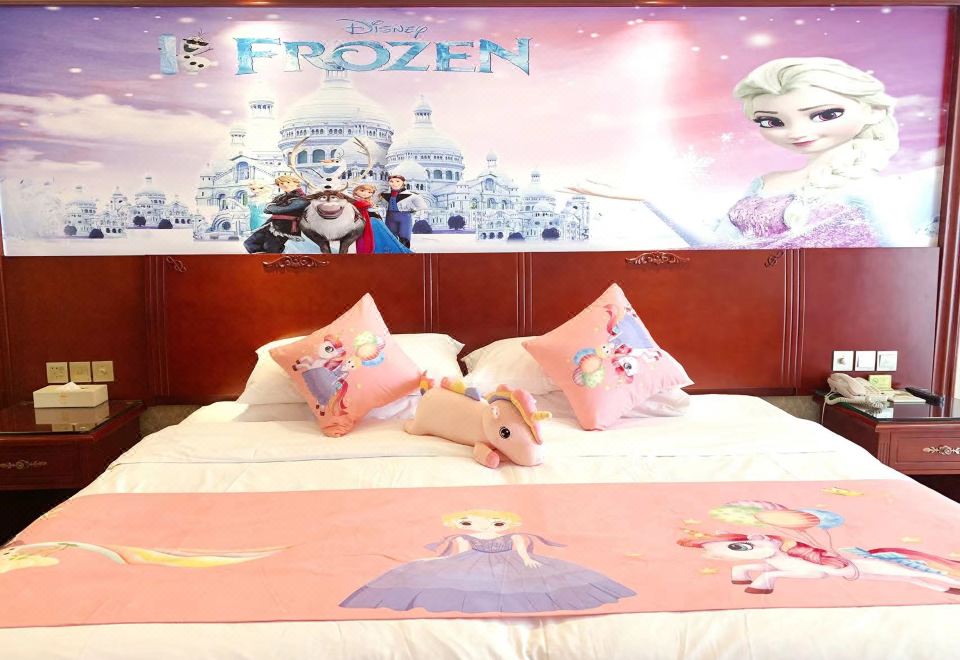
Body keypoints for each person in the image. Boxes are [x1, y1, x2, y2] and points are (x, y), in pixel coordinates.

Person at [566, 57, 907, 249]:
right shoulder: (765, 182)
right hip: (747, 302)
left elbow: (899, 262)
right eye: (772, 121)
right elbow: (716, 248)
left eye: (825, 114)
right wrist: (649, 198)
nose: (797, 132)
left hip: (828, 310)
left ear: (873, 111)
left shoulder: (869, 188)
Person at [339, 509, 635, 613]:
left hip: (511, 563)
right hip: (473, 564)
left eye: (494, 523)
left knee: (541, 584)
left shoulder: (515, 536)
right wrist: (435, 564)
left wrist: (527, 561)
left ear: (503, 524)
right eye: (469, 523)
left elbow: (523, 552)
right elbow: (455, 557)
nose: (483, 527)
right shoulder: (462, 539)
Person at [243, 174, 309, 254]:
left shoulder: (302, 197)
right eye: (281, 183)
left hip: (286, 226)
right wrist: (275, 208)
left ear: (296, 183)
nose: (284, 185)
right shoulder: (281, 197)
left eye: (288, 182)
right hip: (271, 224)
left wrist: (275, 207)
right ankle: (263, 258)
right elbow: (267, 209)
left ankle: (273, 258)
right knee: (249, 243)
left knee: (270, 247)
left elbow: (280, 209)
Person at [349, 183, 413, 254]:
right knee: (376, 238)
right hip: (369, 223)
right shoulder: (355, 201)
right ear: (356, 191)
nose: (365, 193)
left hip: (374, 223)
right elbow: (361, 207)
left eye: (369, 192)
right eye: (362, 190)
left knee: (384, 237)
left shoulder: (368, 202)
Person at [378, 174, 427, 249]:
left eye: (397, 181)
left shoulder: (411, 195)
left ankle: (404, 252)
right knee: (390, 236)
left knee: (404, 236)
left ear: (403, 182)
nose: (394, 183)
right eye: (391, 181)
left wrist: (412, 210)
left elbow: (422, 206)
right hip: (390, 217)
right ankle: (392, 252)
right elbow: (379, 204)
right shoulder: (384, 194)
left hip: (404, 217)